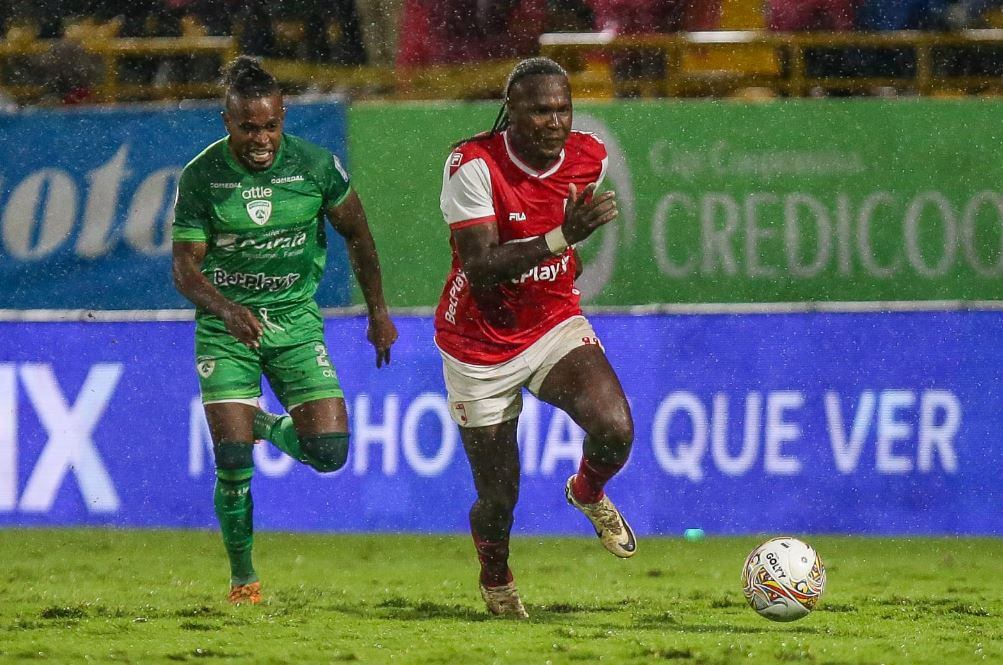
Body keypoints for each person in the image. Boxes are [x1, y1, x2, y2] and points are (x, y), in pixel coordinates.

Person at [171, 55, 397, 605]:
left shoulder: (317, 166)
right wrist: (225, 309)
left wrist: (378, 312)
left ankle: (264, 425)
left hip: (294, 321)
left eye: (270, 125)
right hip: (229, 327)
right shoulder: (202, 177)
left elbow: (359, 237)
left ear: (283, 116)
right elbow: (184, 268)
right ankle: (243, 579)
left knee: (329, 450)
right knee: (231, 460)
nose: (261, 138)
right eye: (248, 127)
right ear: (228, 121)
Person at [435, 57, 635, 620]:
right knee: (500, 498)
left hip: (551, 323)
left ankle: (588, 491)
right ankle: (496, 578)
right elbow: (480, 267)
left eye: (562, 109)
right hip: (478, 343)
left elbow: (562, 223)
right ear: (511, 114)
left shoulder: (589, 155)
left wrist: (560, 250)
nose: (555, 121)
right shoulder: (472, 164)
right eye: (540, 110)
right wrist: (561, 237)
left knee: (615, 428)